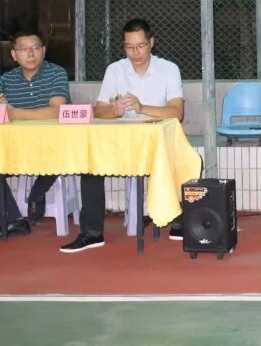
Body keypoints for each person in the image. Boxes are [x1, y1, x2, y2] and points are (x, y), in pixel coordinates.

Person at [59, 19, 185, 254]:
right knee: (90, 165)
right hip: (121, 142)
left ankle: (178, 218)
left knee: (184, 157)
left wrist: (141, 107)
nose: (135, 52)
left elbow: (177, 113)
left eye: (140, 46)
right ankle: (92, 233)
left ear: (151, 43)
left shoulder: (169, 69)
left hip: (156, 142)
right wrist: (114, 111)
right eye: (129, 47)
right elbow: (98, 110)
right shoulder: (115, 70)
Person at [0, 30, 72, 237]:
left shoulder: (56, 73)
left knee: (60, 148)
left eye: (35, 48)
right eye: (23, 49)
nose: (30, 54)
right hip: (16, 146)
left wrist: (16, 113)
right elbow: (0, 114)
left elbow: (57, 111)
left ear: (44, 51)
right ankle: (12, 221)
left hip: (53, 144)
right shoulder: (5, 80)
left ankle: (37, 192)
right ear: (14, 55)